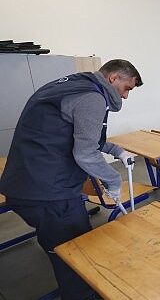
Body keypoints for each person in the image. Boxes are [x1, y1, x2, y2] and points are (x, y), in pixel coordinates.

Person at [0, 59, 143, 300]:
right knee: (77, 253)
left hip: (23, 184)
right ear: (113, 78)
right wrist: (113, 181)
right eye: (127, 88)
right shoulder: (93, 98)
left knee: (58, 241)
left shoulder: (69, 85)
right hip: (49, 192)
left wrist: (116, 151)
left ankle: (56, 252)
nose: (126, 97)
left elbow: (83, 138)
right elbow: (85, 153)